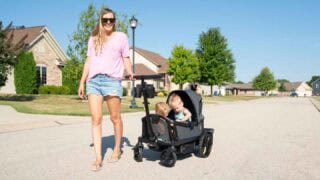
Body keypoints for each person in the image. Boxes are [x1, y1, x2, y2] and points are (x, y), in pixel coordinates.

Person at [78, 8, 134, 171]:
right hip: (93, 81)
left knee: (115, 117)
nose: (109, 23)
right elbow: (88, 62)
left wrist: (130, 72)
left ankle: (117, 148)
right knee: (96, 119)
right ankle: (98, 158)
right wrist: (82, 82)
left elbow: (126, 58)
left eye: (111, 20)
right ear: (100, 22)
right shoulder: (93, 39)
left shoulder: (121, 37)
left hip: (112, 81)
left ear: (114, 21)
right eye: (105, 20)